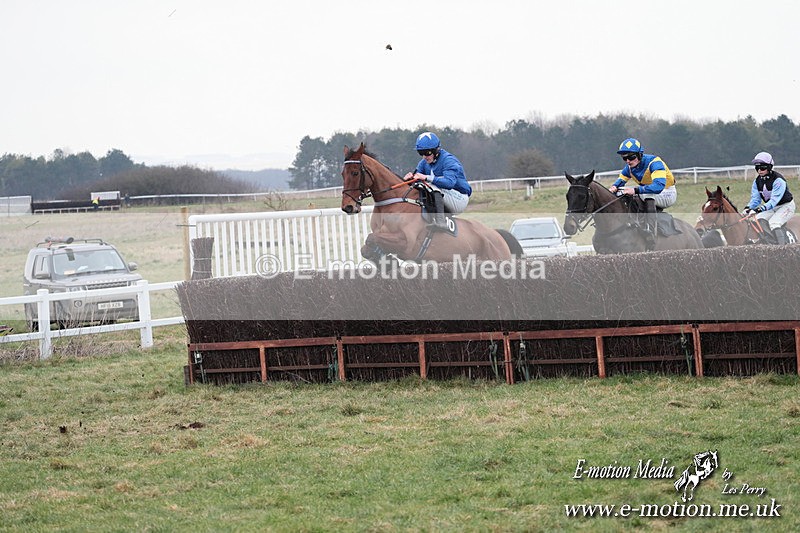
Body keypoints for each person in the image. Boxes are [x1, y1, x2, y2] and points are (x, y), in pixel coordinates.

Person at [609, 137, 677, 249]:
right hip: (650, 192)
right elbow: (619, 182)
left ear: (640, 155)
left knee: (643, 193)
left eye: (631, 157)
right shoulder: (629, 168)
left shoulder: (655, 163)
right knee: (622, 192)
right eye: (624, 158)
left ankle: (651, 230)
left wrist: (635, 190)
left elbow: (658, 186)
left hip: (667, 192)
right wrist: (613, 188)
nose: (628, 161)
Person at [403, 131, 472, 229]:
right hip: (445, 196)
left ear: (436, 150)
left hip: (459, 198)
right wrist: (408, 179)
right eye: (421, 153)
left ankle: (441, 221)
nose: (424, 157)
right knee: (420, 185)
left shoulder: (449, 161)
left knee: (430, 184)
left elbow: (449, 183)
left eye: (427, 153)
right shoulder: (423, 163)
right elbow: (417, 180)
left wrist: (426, 177)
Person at [743, 151, 795, 245]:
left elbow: (774, 201)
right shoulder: (757, 181)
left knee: (774, 223)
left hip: (786, 206)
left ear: (769, 167)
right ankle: (770, 243)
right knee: (759, 219)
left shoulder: (778, 180)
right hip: (771, 208)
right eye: (757, 168)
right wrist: (748, 208)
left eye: (762, 168)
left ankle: (782, 249)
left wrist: (759, 209)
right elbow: (756, 199)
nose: (759, 171)